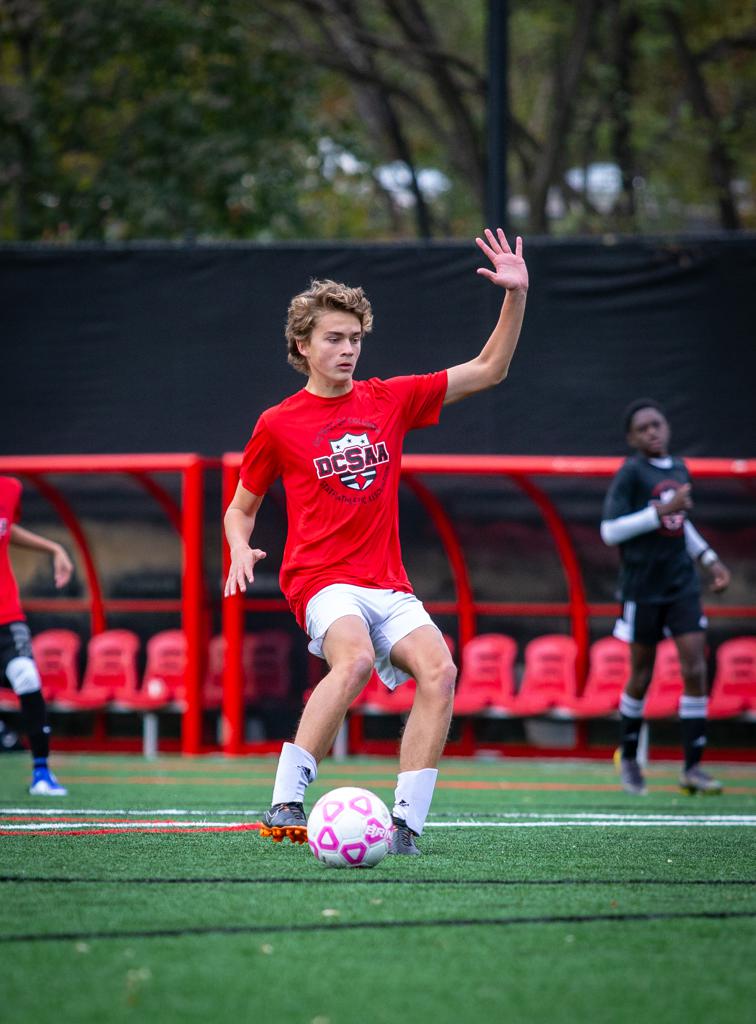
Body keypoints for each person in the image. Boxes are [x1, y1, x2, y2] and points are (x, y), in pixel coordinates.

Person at [224, 228, 528, 854]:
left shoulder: (389, 399)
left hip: (386, 582)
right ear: (302, 345)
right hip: (319, 580)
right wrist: (237, 547)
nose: (348, 350)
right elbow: (241, 508)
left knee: (441, 671)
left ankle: (406, 826)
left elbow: (490, 369)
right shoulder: (277, 424)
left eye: (355, 339)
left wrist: (516, 295)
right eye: (333, 338)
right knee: (356, 658)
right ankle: (287, 798)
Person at [600, 399, 731, 797]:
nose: (652, 432)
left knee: (695, 668)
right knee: (641, 674)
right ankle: (630, 758)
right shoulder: (630, 473)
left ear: (667, 428)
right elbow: (610, 531)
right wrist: (660, 511)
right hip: (643, 587)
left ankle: (692, 768)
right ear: (631, 438)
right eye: (643, 428)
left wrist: (710, 560)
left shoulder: (678, 469)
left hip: (681, 584)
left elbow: (681, 525)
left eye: (657, 425)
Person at [0, 476, 74, 795]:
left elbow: (5, 530)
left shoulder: (9, 488)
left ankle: (42, 773)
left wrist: (53, 547)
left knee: (27, 677)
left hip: (6, 612)